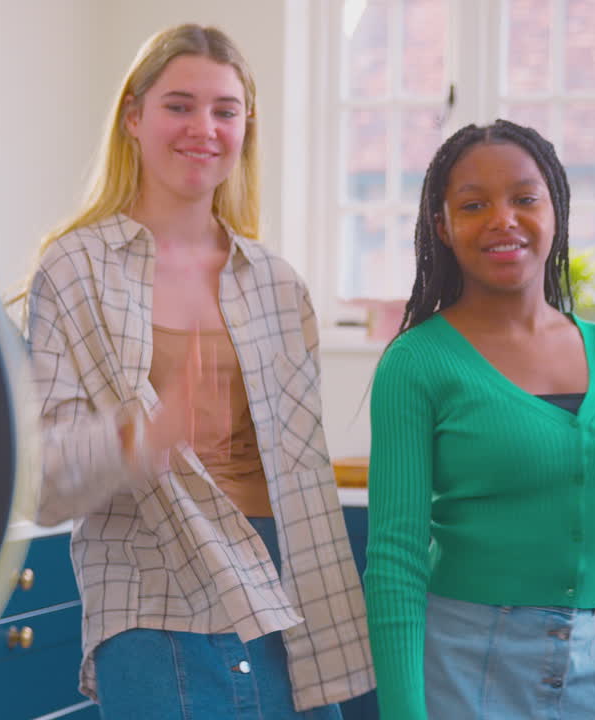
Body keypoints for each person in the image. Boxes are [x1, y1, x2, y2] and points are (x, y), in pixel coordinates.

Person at [23, 23, 375, 719]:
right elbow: (39, 483)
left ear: (248, 125)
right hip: (151, 597)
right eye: (178, 106)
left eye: (224, 109)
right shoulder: (74, 269)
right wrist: (142, 437)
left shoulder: (278, 284)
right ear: (133, 117)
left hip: (282, 595)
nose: (203, 128)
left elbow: (301, 479)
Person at [364, 119, 595, 719]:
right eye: (475, 205)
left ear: (556, 211)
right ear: (443, 227)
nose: (504, 218)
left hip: (589, 663)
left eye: (525, 198)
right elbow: (394, 558)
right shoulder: (417, 361)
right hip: (461, 661)